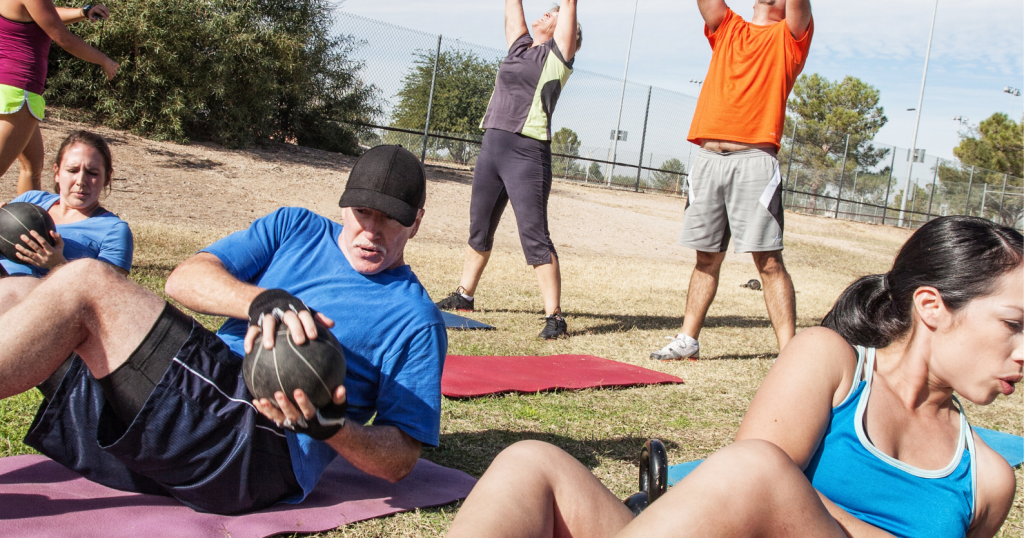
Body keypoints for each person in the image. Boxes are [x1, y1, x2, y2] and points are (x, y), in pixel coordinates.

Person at [445, 216, 1022, 538]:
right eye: (1013, 324)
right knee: (532, 462)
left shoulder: (987, 479)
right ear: (932, 307)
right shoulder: (832, 364)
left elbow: (758, 485)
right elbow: (736, 508)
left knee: (758, 470)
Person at [0, 145, 447, 515]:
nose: (371, 231)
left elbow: (401, 458)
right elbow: (184, 279)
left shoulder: (416, 318)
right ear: (345, 204)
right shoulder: (296, 227)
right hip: (198, 403)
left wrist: (328, 426)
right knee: (20, 291)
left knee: (85, 280)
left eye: (390, 219)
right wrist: (262, 301)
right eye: (362, 212)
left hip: (257, 446)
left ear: (417, 221)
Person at [650, 0, 812, 360]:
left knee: (768, 262)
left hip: (755, 160)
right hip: (708, 159)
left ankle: (790, 355)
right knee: (706, 258)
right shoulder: (729, 27)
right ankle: (688, 340)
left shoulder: (790, 35)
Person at [434, 0, 581, 340]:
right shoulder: (519, 48)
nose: (547, 12)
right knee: (479, 226)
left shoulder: (557, 57)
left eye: (554, 14)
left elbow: (570, 7)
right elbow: (512, 10)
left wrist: (567, 8)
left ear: (566, 31)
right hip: (492, 147)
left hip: (526, 152)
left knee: (534, 235)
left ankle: (555, 317)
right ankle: (464, 295)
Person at [0, 0, 118, 194]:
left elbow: (47, 14)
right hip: (19, 91)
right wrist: (104, 60)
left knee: (32, 168)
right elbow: (65, 39)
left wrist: (83, 12)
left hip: (9, 88)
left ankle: (29, 223)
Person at [0, 130, 131, 280]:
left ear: (107, 178)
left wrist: (58, 265)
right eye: (72, 170)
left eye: (92, 173)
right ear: (57, 172)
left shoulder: (114, 230)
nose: (81, 180)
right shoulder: (31, 200)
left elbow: (108, 293)